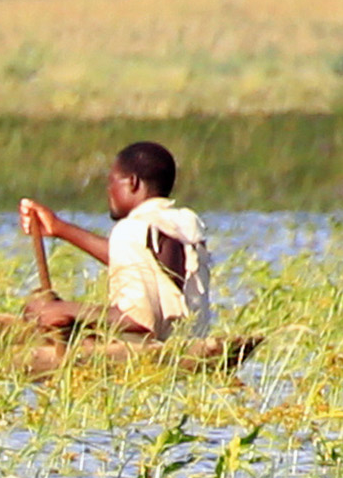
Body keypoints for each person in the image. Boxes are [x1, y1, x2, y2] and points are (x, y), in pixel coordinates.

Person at [15, 140, 211, 348]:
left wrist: (64, 310)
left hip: (147, 352)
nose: (109, 190)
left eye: (112, 181)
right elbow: (141, 262)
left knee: (38, 314)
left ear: (133, 183)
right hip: (187, 345)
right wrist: (58, 228)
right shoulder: (186, 223)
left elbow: (138, 320)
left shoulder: (129, 229)